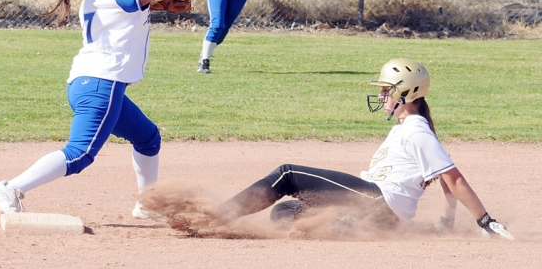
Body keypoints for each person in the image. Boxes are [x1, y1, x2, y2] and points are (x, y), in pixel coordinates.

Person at [211, 59, 514, 239]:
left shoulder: (416, 130)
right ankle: (349, 228)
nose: (382, 95)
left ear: (406, 92)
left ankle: (219, 216)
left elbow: (454, 179)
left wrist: (485, 221)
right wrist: (447, 222)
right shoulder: (407, 127)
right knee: (286, 211)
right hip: (378, 211)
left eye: (387, 89)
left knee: (287, 174)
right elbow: (445, 179)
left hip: (377, 201)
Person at [0, 0, 162, 220]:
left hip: (89, 84)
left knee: (147, 138)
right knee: (80, 153)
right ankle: (10, 188)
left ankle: (148, 204)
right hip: (101, 85)